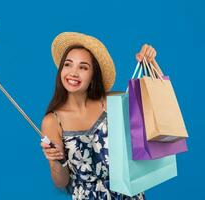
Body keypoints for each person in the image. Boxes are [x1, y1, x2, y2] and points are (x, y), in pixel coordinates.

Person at [40, 32, 159, 200]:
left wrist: (149, 62)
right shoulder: (52, 121)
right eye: (68, 65)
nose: (73, 73)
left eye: (83, 67)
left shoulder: (112, 102)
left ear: (93, 74)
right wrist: (55, 160)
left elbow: (154, 104)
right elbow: (61, 182)